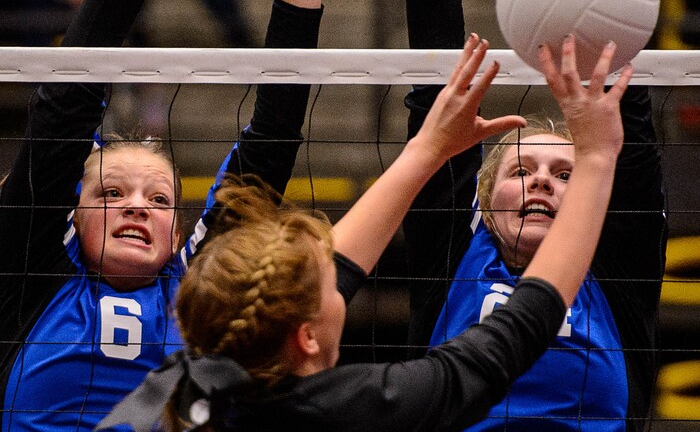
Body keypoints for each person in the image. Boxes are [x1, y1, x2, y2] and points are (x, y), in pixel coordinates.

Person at [0, 0, 382, 431]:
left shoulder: (203, 289)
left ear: (180, 231)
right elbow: (67, 97)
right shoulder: (31, 265)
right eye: (112, 193)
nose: (135, 207)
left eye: (157, 200)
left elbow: (273, 137)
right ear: (68, 212)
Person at [98, 35, 632, 432]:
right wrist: (597, 158)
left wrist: (427, 150)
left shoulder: (178, 389)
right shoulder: (352, 409)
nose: (343, 278)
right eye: (331, 285)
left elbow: (339, 265)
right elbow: (516, 330)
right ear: (306, 337)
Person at [347, 0, 670, 430]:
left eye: (564, 174)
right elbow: (435, 93)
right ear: (483, 201)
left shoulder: (615, 271)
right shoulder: (453, 258)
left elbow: (626, 126)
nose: (545, 182)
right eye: (523, 171)